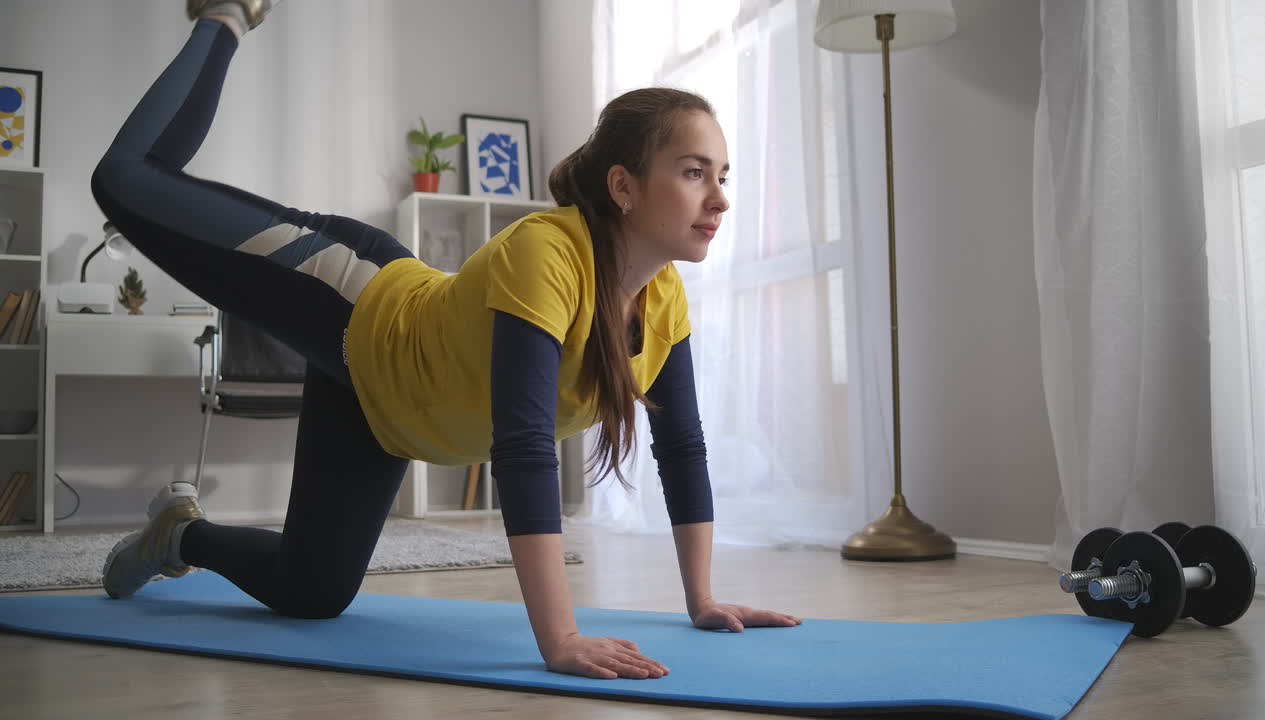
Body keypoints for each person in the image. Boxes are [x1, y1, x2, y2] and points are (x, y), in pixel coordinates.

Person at [93, 0, 802, 681]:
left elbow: (681, 446)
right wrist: (558, 639)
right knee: (125, 180)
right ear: (624, 186)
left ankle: (177, 534)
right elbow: (522, 448)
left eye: (723, 176)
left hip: (385, 408)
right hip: (348, 298)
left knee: (312, 592)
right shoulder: (546, 254)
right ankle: (227, 15)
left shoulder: (665, 298)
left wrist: (701, 598)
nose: (720, 197)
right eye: (693, 172)